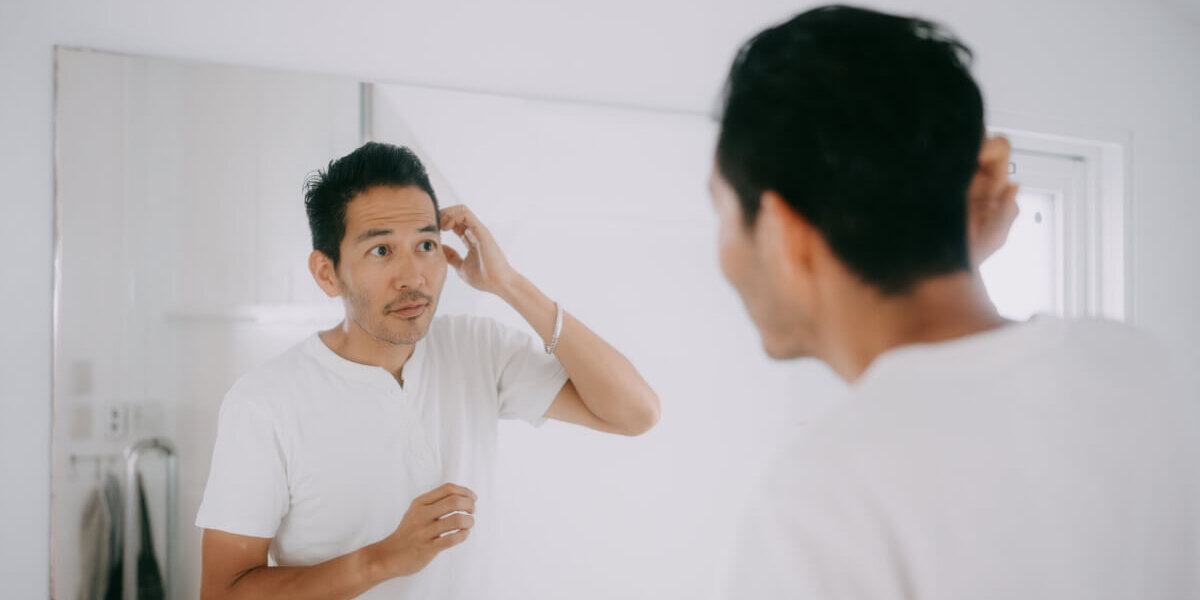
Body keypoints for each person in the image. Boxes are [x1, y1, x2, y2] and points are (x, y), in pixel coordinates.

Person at [710, 5, 1198, 598]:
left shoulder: (823, 496)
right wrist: (940, 236)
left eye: (723, 211)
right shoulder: (1138, 367)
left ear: (784, 233)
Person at [195, 142, 659, 599]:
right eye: (381, 251)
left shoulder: (476, 348)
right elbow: (222, 591)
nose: (413, 276)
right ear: (327, 274)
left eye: (426, 244)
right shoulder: (263, 404)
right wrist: (384, 559)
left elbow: (636, 412)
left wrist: (508, 283)